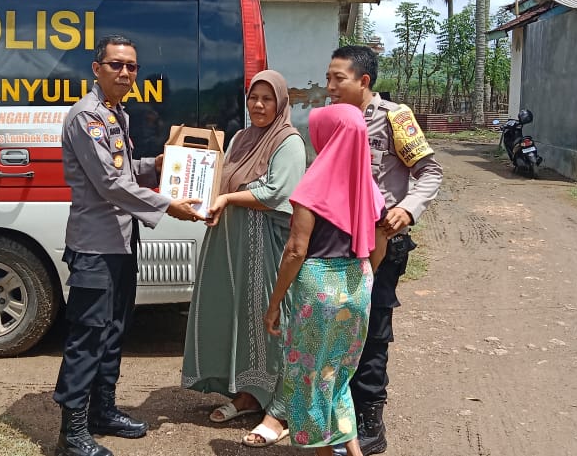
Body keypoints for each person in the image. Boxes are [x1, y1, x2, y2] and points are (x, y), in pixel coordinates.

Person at [54, 34, 204, 456]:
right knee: (88, 337)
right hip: (95, 247)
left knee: (113, 331)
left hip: (120, 243)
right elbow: (107, 183)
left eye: (131, 66)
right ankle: (72, 432)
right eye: (116, 64)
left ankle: (102, 411)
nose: (124, 72)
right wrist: (168, 205)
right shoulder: (87, 117)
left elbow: (121, 169)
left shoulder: (116, 113)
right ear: (96, 68)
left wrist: (155, 165)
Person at [326, 45, 443, 455]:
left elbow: (430, 172)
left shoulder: (395, 117)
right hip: (339, 244)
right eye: (328, 78)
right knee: (341, 329)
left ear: (363, 81)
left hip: (382, 244)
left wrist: (406, 210)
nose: (330, 86)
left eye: (338, 78)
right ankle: (337, 417)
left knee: (373, 332)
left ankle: (370, 423)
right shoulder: (335, 120)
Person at [180, 70, 306, 447]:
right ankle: (250, 393)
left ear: (280, 103)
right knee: (237, 315)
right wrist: (204, 197)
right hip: (230, 241)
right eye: (254, 98)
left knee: (271, 319)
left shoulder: (289, 142)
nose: (259, 105)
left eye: (267, 99)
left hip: (265, 243)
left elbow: (276, 192)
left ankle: (280, 409)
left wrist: (227, 198)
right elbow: (221, 177)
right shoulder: (240, 137)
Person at [264, 103, 389, 456]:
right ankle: (353, 451)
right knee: (337, 375)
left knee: (308, 378)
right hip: (358, 283)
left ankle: (323, 452)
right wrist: (363, 277)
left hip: (318, 288)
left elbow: (295, 250)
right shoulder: (369, 187)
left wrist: (274, 304)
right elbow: (379, 243)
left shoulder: (312, 186)